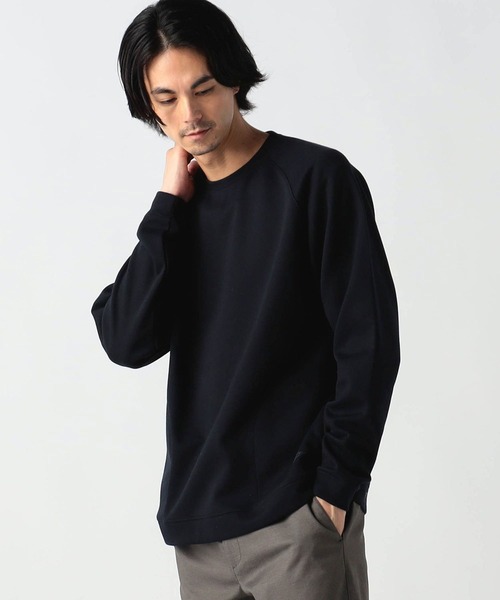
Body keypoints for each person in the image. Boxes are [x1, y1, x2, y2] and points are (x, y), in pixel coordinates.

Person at [91, 1, 400, 598]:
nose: (189, 114)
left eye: (203, 88)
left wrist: (335, 490)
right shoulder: (177, 215)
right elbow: (125, 341)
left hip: (296, 524)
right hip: (198, 534)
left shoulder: (315, 179)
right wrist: (165, 207)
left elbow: (369, 344)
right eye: (166, 99)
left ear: (234, 78)